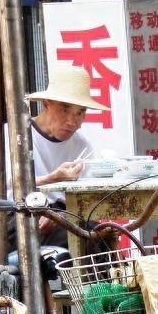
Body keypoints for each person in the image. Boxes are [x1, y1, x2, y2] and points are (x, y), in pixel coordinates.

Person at [18, 64, 101, 248]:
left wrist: (62, 215)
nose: (73, 121)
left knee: (100, 234)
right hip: (24, 214)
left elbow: (88, 198)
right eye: (65, 110)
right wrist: (53, 178)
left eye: (80, 113)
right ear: (46, 104)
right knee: (84, 239)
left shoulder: (82, 145)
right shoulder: (18, 136)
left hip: (66, 215)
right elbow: (12, 186)